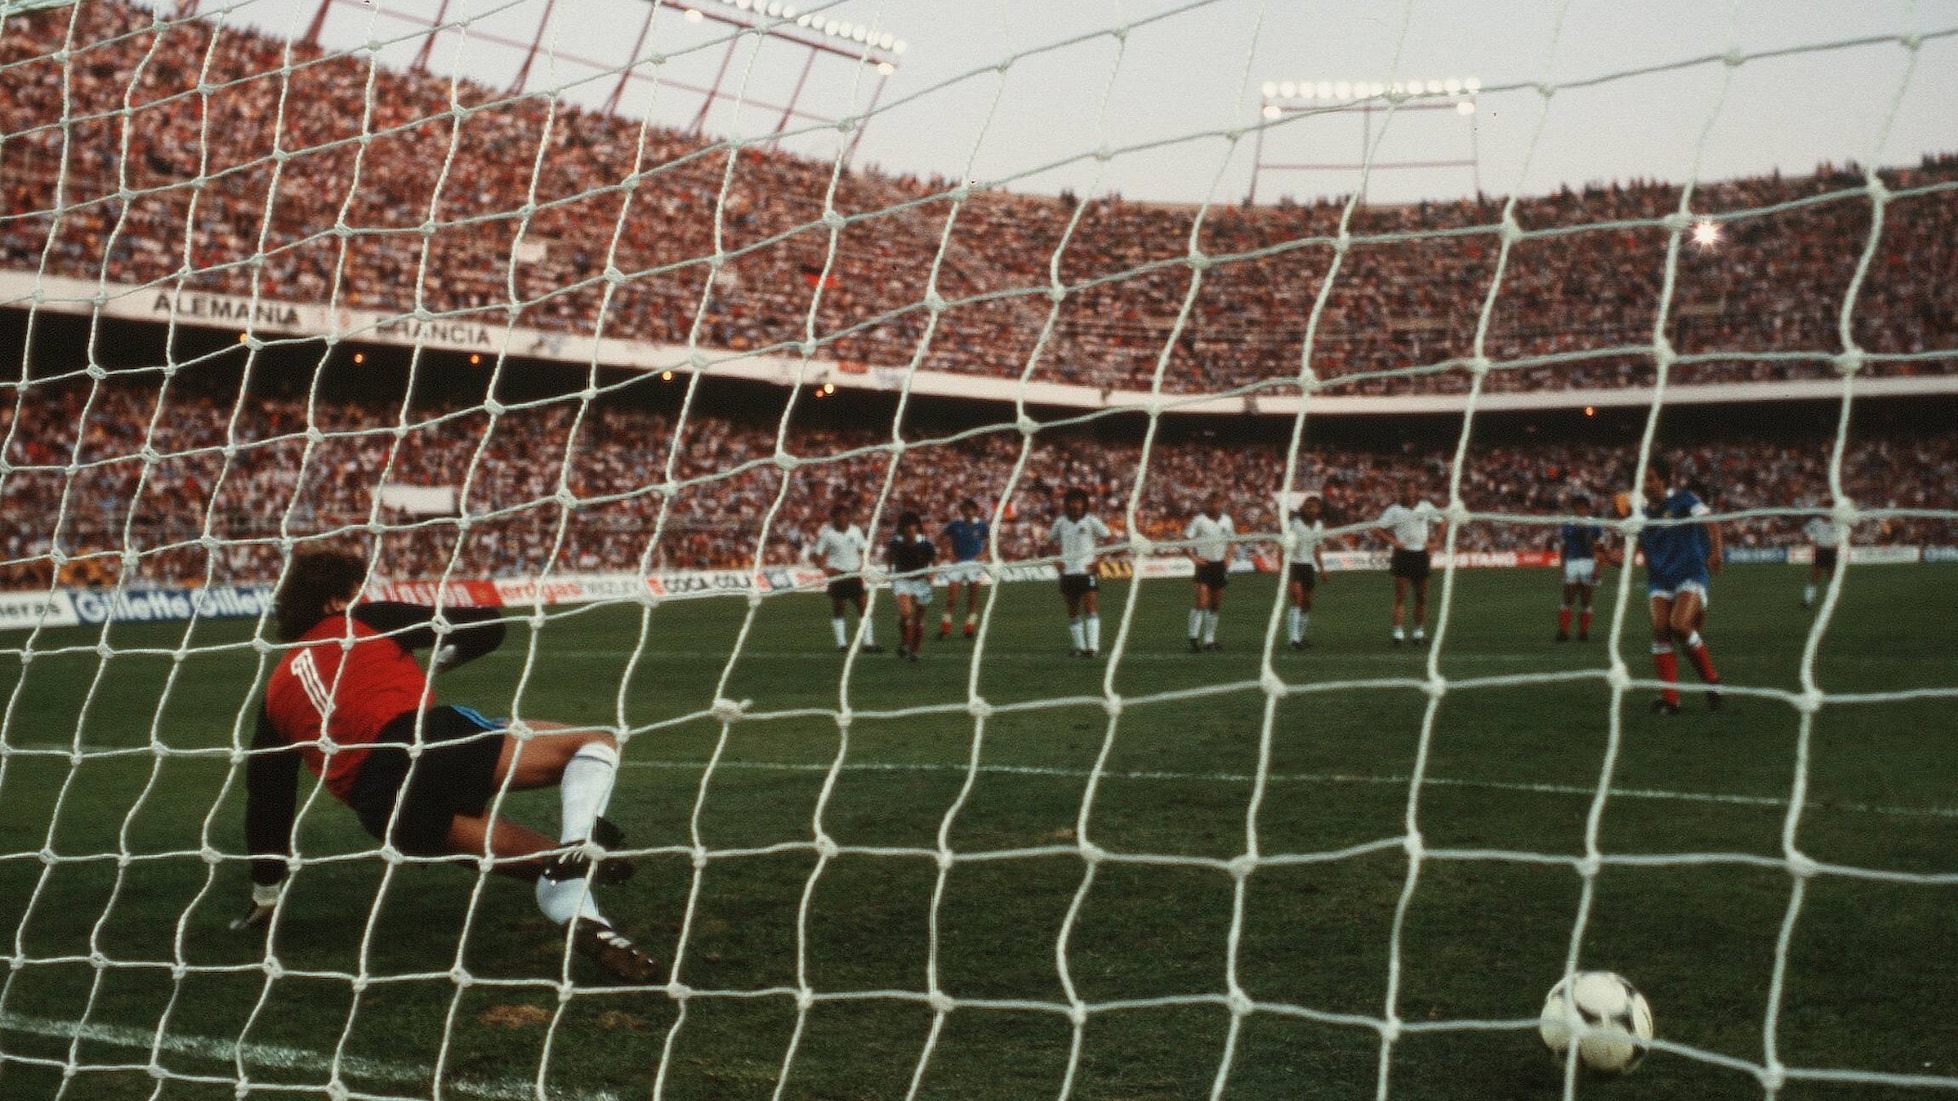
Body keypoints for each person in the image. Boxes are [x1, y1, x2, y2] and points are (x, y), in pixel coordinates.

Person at [240, 544, 660, 984]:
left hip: (383, 809)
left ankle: (603, 933)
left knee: (546, 865)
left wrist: (266, 888)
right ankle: (580, 839)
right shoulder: (363, 619)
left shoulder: (273, 695)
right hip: (423, 743)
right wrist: (443, 660)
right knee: (593, 743)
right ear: (334, 601)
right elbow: (485, 623)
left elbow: (268, 800)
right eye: (359, 589)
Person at [1637, 457, 1724, 714]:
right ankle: (1670, 700)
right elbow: (1629, 555)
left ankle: (1712, 682)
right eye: (1643, 479)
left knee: (1680, 625)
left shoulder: (1684, 500)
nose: (1646, 484)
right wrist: (1609, 556)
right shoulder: (1641, 516)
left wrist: (1716, 552)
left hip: (1690, 573)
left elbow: (1712, 522)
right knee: (1660, 630)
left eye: (1651, 478)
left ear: (1663, 479)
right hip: (1659, 578)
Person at [1377, 480, 1445, 646]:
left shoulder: (1425, 507)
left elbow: (1442, 523)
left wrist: (1436, 542)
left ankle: (1418, 632)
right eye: (1405, 489)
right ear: (1401, 491)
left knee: (1421, 597)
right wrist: (1393, 542)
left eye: (1412, 488)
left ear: (1416, 491)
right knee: (1400, 596)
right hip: (1402, 555)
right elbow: (1377, 528)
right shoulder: (1394, 510)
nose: (1409, 492)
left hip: (1421, 555)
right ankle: (1398, 634)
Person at [1048, 487, 1113, 658]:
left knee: (1090, 606)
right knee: (1073, 609)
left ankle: (1093, 647)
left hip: (1086, 571)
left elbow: (1109, 538)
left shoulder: (1091, 521)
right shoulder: (1061, 522)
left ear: (1084, 504)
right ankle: (1079, 647)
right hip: (1068, 572)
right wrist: (1056, 561)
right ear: (1067, 504)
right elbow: (1050, 542)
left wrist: (1099, 560)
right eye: (1071, 502)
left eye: (1078, 502)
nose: (1074, 505)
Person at [811, 502, 881, 653]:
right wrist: (826, 569)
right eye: (837, 517)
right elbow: (816, 555)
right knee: (839, 609)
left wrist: (863, 564)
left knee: (864, 607)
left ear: (848, 517)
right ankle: (841, 644)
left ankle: (868, 643)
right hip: (838, 575)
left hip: (854, 574)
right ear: (833, 519)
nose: (841, 519)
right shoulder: (827, 534)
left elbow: (864, 549)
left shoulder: (855, 531)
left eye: (844, 516)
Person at [1183, 492, 1235, 652]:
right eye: (1211, 503)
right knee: (1201, 602)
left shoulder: (1227, 520)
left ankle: (1209, 640)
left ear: (1222, 504)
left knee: (1215, 604)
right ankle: (1193, 639)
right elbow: (1184, 539)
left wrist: (1228, 556)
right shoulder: (1199, 520)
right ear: (1206, 505)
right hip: (1204, 565)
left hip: (1219, 565)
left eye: (1217, 503)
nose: (1214, 506)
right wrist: (1193, 558)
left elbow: (1232, 541)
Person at [1555, 494, 1610, 642]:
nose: (1580, 510)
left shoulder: (1594, 524)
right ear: (1574, 509)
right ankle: (1563, 632)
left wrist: (1598, 567)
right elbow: (1563, 547)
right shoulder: (1568, 524)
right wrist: (1562, 565)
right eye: (1577, 507)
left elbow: (1600, 548)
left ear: (1588, 509)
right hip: (1572, 562)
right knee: (1568, 597)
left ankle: (1583, 632)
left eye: (1583, 507)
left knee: (1586, 599)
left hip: (1588, 562)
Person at [885, 510, 937, 661]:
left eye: (912, 527)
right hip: (903, 580)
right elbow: (888, 555)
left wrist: (932, 573)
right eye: (906, 527)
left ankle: (914, 650)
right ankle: (904, 641)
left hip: (921, 582)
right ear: (902, 529)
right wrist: (889, 570)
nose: (909, 530)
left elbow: (935, 561)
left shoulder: (925, 544)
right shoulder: (896, 543)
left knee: (919, 619)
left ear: (916, 528)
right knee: (905, 613)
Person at [938, 498, 989, 640]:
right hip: (957, 564)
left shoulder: (982, 526)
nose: (967, 512)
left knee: (972, 599)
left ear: (975, 510)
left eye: (970, 509)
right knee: (952, 598)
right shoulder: (955, 525)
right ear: (961, 511)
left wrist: (985, 554)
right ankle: (945, 629)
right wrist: (947, 553)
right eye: (964, 509)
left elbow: (991, 541)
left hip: (974, 564)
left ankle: (969, 629)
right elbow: (939, 538)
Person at [1285, 494, 1330, 649]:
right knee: (1296, 599)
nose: (1312, 510)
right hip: (1294, 564)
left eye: (1315, 507)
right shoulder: (1294, 524)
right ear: (1304, 508)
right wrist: (1282, 569)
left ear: (1319, 510)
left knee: (1307, 603)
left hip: (1308, 566)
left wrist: (1322, 568)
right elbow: (1283, 547)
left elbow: (1317, 549)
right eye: (1309, 507)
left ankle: (1301, 636)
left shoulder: (1318, 526)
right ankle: (1293, 639)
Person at [1803, 513, 1847, 608]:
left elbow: (1843, 534)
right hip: (1821, 550)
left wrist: (1838, 544)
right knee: (1814, 576)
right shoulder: (1815, 521)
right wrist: (1813, 542)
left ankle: (1831, 602)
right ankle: (1808, 601)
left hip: (1831, 551)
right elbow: (1806, 530)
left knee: (1832, 577)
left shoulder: (1837, 522)